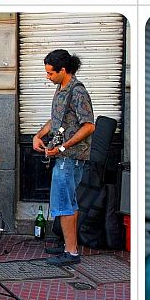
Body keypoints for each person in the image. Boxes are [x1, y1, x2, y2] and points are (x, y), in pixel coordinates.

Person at [31, 49, 95, 267]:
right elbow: (56, 119)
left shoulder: (77, 92)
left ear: (63, 70)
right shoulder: (61, 88)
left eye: (50, 73)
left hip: (71, 158)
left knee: (64, 203)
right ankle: (69, 245)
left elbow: (89, 125)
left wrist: (62, 148)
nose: (47, 77)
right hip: (64, 157)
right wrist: (38, 135)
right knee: (69, 203)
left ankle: (71, 252)